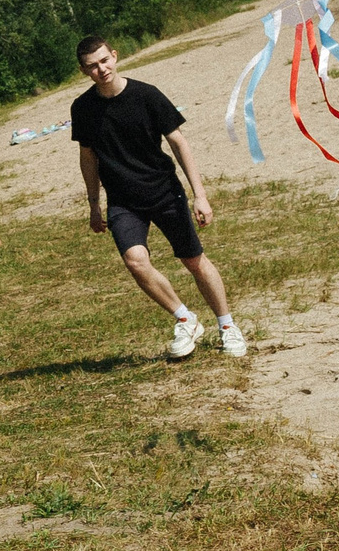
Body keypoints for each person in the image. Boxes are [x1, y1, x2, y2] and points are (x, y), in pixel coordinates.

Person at [69, 35, 246, 359]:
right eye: (92, 66)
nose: (101, 69)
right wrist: (94, 204)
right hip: (123, 201)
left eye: (104, 60)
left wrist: (200, 196)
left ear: (115, 56)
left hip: (164, 192)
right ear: (84, 71)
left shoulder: (146, 96)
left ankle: (227, 326)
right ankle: (185, 318)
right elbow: (88, 157)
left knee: (193, 260)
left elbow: (179, 143)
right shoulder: (82, 108)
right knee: (135, 261)